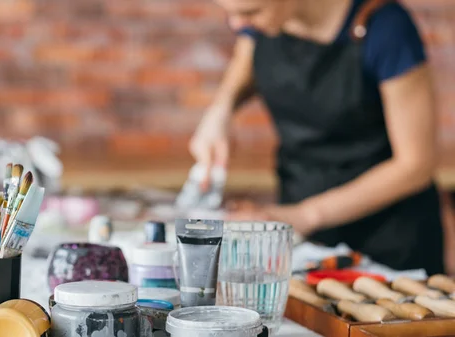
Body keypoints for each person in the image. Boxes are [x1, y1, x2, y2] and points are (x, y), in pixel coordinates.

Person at [190, 0, 445, 274]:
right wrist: (221, 110)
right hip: (303, 227)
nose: (237, 25)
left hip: (389, 238)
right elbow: (246, 59)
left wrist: (305, 215)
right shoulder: (266, 21)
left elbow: (416, 165)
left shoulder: (385, 27)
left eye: (249, 12)